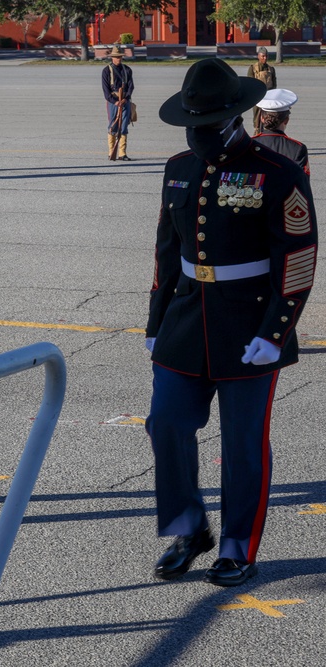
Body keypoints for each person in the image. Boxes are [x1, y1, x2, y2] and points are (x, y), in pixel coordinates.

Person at [148, 58, 317, 587]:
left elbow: (299, 257)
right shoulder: (178, 167)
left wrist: (275, 333)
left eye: (206, 125)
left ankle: (238, 547)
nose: (196, 135)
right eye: (191, 125)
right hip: (185, 321)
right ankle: (188, 528)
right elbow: (165, 252)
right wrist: (155, 320)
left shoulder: (279, 172)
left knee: (242, 445)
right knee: (167, 425)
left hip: (249, 327)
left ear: (235, 117)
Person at [253, 88, 309, 177]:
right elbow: (303, 182)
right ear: (286, 120)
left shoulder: (248, 143)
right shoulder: (297, 148)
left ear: (262, 118)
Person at [101, 45, 134, 161]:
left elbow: (131, 86)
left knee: (124, 126)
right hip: (113, 102)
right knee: (113, 126)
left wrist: (126, 98)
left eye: (120, 57)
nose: (118, 59)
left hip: (125, 100)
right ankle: (111, 152)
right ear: (112, 58)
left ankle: (122, 153)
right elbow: (106, 91)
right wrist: (115, 102)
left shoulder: (128, 70)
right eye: (116, 57)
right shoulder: (106, 71)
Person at [246, 46, 276, 133]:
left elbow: (274, 84)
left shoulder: (271, 69)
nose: (265, 58)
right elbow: (250, 83)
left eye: (266, 56)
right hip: (257, 97)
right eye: (263, 56)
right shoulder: (253, 68)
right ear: (258, 56)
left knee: (268, 117)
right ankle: (257, 132)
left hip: (268, 96)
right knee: (257, 117)